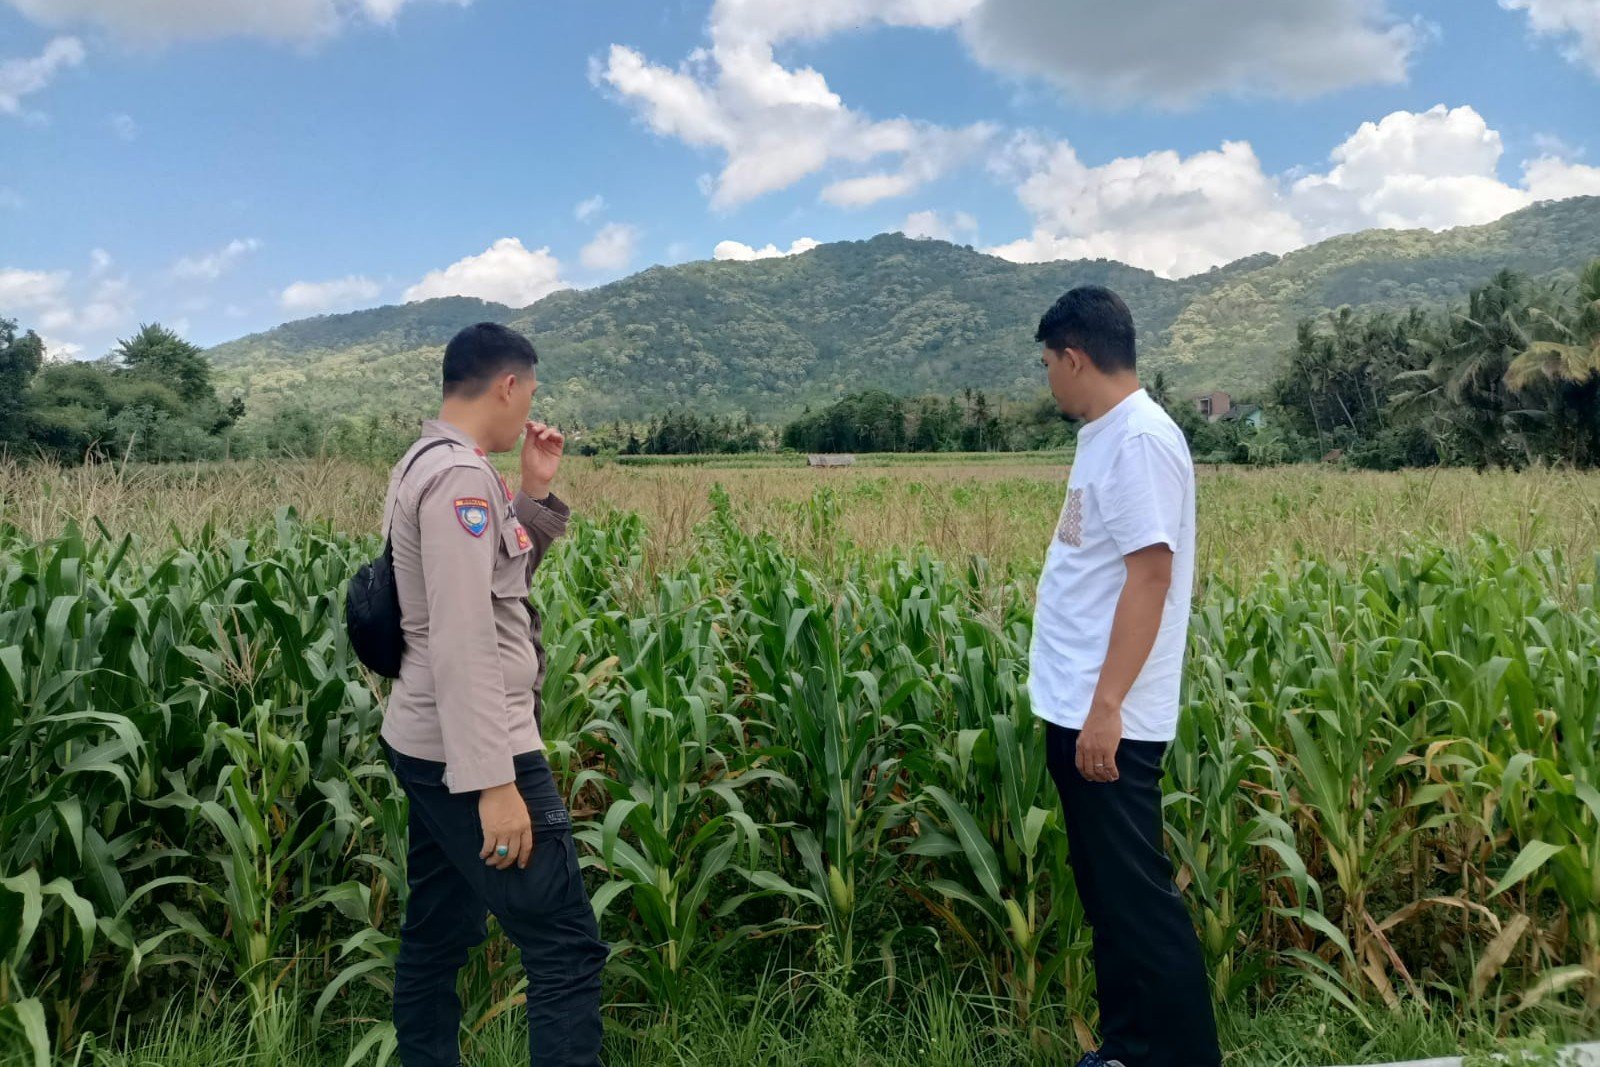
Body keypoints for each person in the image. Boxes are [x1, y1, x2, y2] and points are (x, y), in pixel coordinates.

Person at [378, 322, 607, 1067]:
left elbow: (495, 582)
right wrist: (494, 782)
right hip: (474, 747)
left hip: (427, 740)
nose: (529, 410)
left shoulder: (436, 462)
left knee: (439, 931)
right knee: (567, 943)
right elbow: (464, 633)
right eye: (530, 393)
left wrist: (534, 490)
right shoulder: (458, 478)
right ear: (508, 385)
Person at [1028, 287, 1221, 1067]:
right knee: (1110, 896)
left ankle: (1181, 1057)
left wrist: (1106, 707)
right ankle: (1131, 1047)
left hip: (1109, 718)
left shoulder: (1139, 438)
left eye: (1047, 363)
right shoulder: (1104, 434)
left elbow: (1151, 576)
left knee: (1138, 901)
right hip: (1079, 706)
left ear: (1074, 356)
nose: (1047, 379)